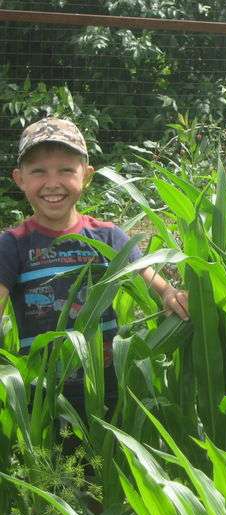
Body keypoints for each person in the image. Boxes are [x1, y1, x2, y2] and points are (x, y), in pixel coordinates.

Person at [0, 117, 189, 405]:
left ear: (86, 176)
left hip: (107, 394)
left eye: (66, 170)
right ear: (20, 179)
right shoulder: (12, 245)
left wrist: (172, 295)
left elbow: (158, 286)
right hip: (38, 400)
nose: (53, 183)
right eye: (38, 171)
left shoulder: (108, 237)